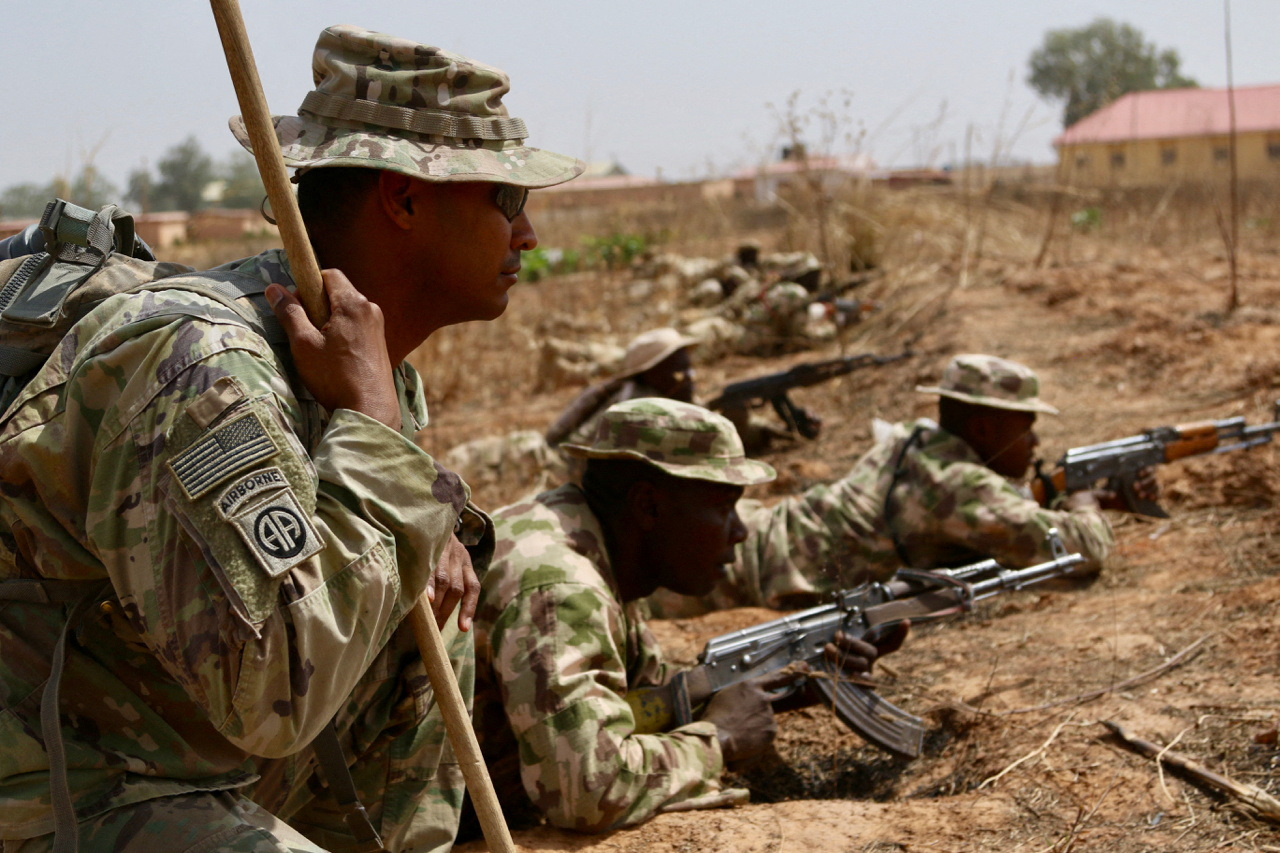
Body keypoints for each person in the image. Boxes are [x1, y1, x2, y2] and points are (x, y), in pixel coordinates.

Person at [0, 24, 581, 853]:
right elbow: (273, 687)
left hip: (183, 751)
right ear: (405, 199)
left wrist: (423, 509)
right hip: (59, 786)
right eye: (507, 200)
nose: (526, 235)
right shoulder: (207, 367)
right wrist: (382, 447)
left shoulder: (359, 357)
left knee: (431, 597)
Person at [469, 398, 904, 835]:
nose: (741, 530)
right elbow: (588, 790)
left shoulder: (581, 534)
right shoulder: (563, 588)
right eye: (723, 507)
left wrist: (793, 682)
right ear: (649, 506)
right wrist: (720, 741)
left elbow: (636, 702)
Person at [647, 353, 1139, 618]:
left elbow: (988, 510)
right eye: (1025, 425)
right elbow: (1084, 549)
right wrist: (1082, 496)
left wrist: (1047, 496)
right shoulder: (956, 486)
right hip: (732, 572)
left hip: (757, 531)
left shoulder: (919, 440)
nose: (1035, 440)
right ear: (985, 429)